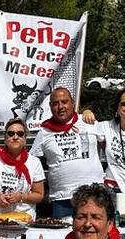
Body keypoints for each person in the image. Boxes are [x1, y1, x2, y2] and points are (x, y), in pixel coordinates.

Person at [31, 87, 105, 219]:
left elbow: (108, 147)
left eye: (64, 102)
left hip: (94, 195)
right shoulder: (44, 132)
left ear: (72, 103)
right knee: (61, 238)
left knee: (95, 235)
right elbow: (32, 163)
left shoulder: (88, 121)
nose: (60, 106)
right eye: (55, 103)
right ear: (50, 106)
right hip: (62, 199)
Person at [0, 117, 45, 219]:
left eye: (20, 134)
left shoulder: (34, 162)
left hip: (23, 219)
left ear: (24, 139)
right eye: (11, 133)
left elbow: (39, 195)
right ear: (5, 138)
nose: (15, 137)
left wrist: (21, 197)